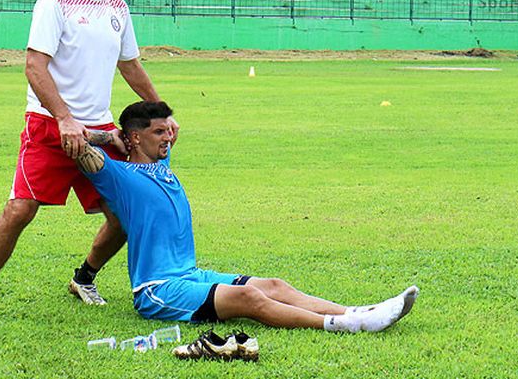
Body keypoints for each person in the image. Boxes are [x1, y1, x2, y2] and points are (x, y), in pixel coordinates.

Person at [74, 101, 419, 357]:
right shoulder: (119, 177)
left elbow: (167, 134)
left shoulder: (161, 162)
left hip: (189, 275)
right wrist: (113, 138)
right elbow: (77, 144)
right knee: (249, 297)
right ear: (134, 137)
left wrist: (142, 135)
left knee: (273, 285)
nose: (169, 137)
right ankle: (343, 325)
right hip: (158, 289)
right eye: (159, 132)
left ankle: (358, 311)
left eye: (169, 130)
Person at [0, 0, 178, 325]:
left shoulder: (118, 8)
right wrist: (64, 117)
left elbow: (129, 65)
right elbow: (34, 66)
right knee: (20, 209)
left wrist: (161, 115)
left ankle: (84, 278)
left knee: (127, 213)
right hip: (51, 125)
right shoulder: (55, 1)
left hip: (102, 131)